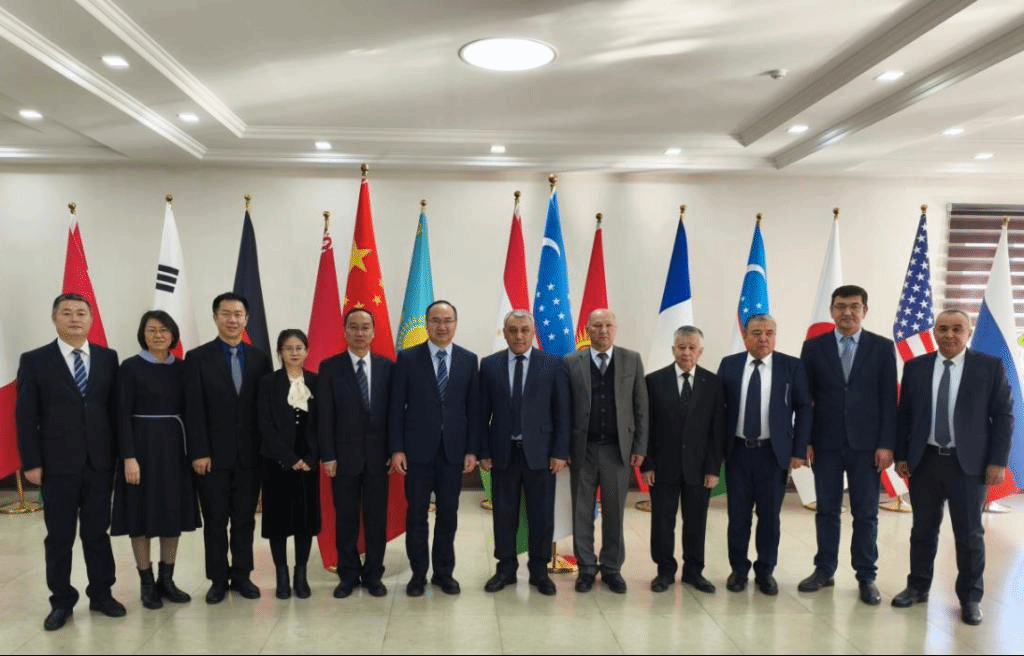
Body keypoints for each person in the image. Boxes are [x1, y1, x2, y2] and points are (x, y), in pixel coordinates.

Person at [892, 309, 1013, 626]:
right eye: (942, 328)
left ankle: (970, 598)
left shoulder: (989, 367)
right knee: (922, 531)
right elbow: (905, 416)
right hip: (925, 462)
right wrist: (902, 455)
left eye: (957, 329)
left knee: (969, 535)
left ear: (968, 332)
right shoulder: (916, 367)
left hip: (969, 466)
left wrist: (998, 461)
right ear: (934, 332)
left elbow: (1004, 416)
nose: (949, 335)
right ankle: (917, 587)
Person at [16, 293, 124, 631]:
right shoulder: (35, 360)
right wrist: (31, 462)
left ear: (91, 319)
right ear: (55, 319)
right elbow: (26, 416)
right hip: (56, 465)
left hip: (99, 463)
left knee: (97, 533)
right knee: (59, 536)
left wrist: (121, 456)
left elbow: (115, 412)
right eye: (67, 313)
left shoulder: (108, 358)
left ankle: (102, 594)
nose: (74, 318)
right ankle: (61, 600)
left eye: (81, 313)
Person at [798, 285, 896, 605]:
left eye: (855, 306)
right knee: (827, 510)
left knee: (865, 513)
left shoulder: (882, 347)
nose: (847, 312)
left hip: (867, 447)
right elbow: (805, 400)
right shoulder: (813, 348)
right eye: (841, 306)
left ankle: (866, 576)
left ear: (865, 311)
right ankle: (824, 570)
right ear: (832, 310)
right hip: (825, 444)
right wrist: (806, 440)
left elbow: (888, 400)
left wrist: (886, 444)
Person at [185, 292, 272, 603]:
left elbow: (266, 408)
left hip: (250, 456)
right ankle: (218, 579)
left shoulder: (260, 358)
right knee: (216, 520)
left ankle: (243, 575)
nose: (232, 319)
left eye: (238, 314)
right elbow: (193, 409)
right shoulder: (197, 358)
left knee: (244, 519)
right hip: (211, 457)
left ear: (246, 319)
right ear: (215, 317)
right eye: (226, 314)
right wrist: (199, 451)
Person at [389, 300, 480, 597]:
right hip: (416, 452)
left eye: (448, 320)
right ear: (427, 323)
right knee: (416, 515)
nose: (442, 326)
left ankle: (443, 573)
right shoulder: (407, 358)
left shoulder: (469, 360)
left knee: (448, 515)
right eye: (436, 320)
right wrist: (397, 449)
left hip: (453, 453)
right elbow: (396, 408)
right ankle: (418, 574)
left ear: (455, 324)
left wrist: (472, 450)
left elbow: (473, 410)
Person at [111, 310, 199, 610]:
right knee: (141, 515)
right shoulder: (130, 367)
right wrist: (128, 457)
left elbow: (192, 412)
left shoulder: (183, 368)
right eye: (152, 330)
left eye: (164, 330)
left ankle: (167, 579)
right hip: (141, 450)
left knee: (171, 515)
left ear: (173, 334)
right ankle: (146, 582)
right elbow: (121, 415)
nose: (158, 335)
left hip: (174, 450)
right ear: (143, 334)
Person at [718, 313, 811, 596]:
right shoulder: (729, 365)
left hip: (773, 455)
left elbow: (804, 408)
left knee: (769, 517)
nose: (763, 339)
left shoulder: (791, 366)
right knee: (738, 517)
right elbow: (718, 408)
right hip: (737, 452)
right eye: (757, 333)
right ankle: (738, 570)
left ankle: (765, 571)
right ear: (746, 336)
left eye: (769, 333)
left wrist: (798, 450)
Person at [479, 310, 570, 596]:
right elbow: (481, 413)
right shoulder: (490, 365)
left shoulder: (552, 364)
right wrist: (483, 450)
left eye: (524, 330)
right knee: (504, 514)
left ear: (533, 333)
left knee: (541, 515)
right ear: (505, 333)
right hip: (502, 453)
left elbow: (562, 412)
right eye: (513, 330)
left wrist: (560, 451)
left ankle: (539, 571)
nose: (519, 336)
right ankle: (505, 569)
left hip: (541, 455)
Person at [563, 308, 648, 594]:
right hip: (582, 450)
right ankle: (586, 567)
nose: (603, 330)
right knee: (581, 512)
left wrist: (640, 446)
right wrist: (564, 449)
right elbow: (564, 409)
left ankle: (612, 568)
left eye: (608, 325)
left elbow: (641, 407)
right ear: (587, 329)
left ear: (616, 328)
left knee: (614, 512)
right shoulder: (571, 362)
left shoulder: (631, 360)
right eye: (597, 325)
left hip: (617, 451)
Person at [642, 325, 725, 594]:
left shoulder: (713, 383)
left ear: (700, 351)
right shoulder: (654, 381)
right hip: (662, 467)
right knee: (662, 522)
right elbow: (647, 427)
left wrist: (713, 468)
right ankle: (664, 571)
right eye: (681, 347)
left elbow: (717, 430)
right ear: (673, 350)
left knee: (696, 522)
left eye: (692, 348)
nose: (686, 352)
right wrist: (647, 464)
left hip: (699, 469)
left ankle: (694, 571)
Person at [319, 308, 394, 598]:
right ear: (345, 331)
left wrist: (394, 451)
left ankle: (374, 574)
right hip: (343, 459)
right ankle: (348, 574)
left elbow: (394, 416)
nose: (360, 333)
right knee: (346, 519)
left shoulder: (388, 367)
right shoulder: (330, 367)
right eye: (354, 327)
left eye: (365, 327)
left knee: (376, 520)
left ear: (373, 332)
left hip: (379, 459)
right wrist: (328, 455)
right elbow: (325, 415)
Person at [258, 329, 320, 600]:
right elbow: (264, 424)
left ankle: (301, 574)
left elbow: (323, 423)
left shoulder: (316, 381)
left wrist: (311, 457)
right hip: (277, 463)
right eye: (288, 348)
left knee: (304, 521)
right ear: (280, 352)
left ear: (307, 351)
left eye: (299, 348)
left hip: (308, 464)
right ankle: (281, 575)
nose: (294, 353)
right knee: (278, 522)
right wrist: (289, 458)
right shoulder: (268, 383)